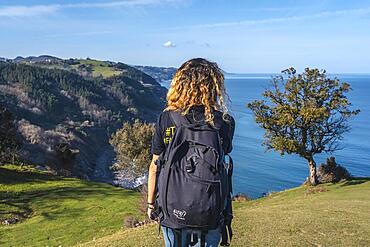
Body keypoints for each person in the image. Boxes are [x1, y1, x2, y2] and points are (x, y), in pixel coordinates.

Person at [147, 58, 235, 247]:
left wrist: (150, 204)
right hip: (211, 208)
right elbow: (223, 156)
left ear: (179, 84)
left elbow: (155, 166)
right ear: (214, 86)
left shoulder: (166, 118)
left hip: (172, 208)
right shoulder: (225, 123)